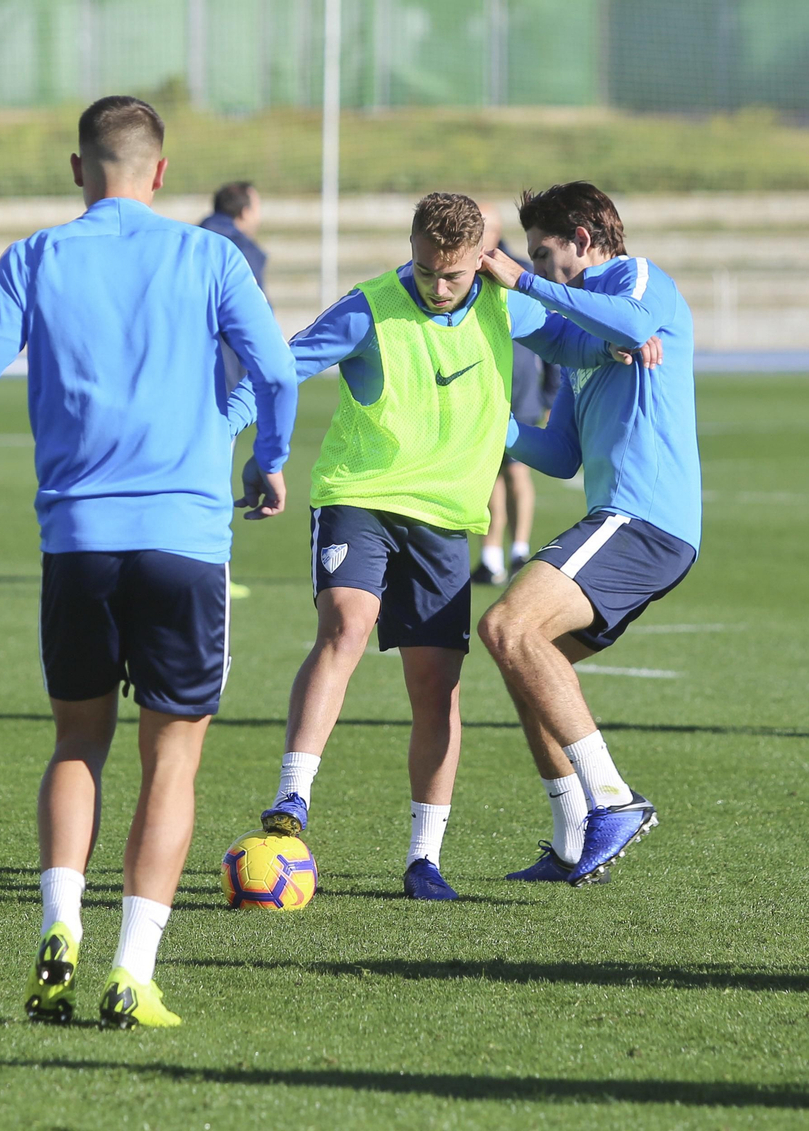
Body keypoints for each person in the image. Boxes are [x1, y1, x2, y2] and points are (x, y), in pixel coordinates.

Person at [0, 96, 298, 1029]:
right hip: (185, 544)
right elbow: (277, 372)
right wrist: (269, 458)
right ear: (160, 173)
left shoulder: (36, 256)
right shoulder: (210, 256)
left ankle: (60, 925)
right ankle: (133, 969)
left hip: (77, 543)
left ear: (78, 169)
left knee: (77, 743)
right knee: (173, 762)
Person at [249, 192, 624, 902]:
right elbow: (280, 367)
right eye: (426, 269)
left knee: (435, 687)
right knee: (346, 627)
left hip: (448, 519)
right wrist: (239, 439)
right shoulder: (370, 306)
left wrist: (622, 340)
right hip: (359, 496)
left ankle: (425, 858)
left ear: (482, 259)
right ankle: (292, 796)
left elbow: (574, 340)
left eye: (453, 274)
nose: (438, 285)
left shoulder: (505, 302)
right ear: (413, 249)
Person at [478, 181, 696, 886]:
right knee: (529, 662)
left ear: (582, 236)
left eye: (546, 253)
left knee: (509, 625)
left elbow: (630, 324)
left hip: (641, 517)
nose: (540, 266)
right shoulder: (586, 345)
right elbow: (562, 455)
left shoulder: (630, 277)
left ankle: (613, 799)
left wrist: (519, 279)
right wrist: (494, 428)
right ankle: (574, 836)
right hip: (626, 520)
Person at [473, 202, 560, 585]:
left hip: (519, 383)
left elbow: (554, 326)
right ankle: (491, 557)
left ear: (494, 232)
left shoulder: (515, 271)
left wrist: (550, 391)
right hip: (481, 384)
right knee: (488, 472)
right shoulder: (463, 271)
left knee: (516, 470)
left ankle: (519, 550)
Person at [201, 181, 270, 603]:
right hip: (222, 382)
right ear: (244, 210)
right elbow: (253, 323)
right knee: (213, 480)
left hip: (172, 380)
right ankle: (214, 573)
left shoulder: (188, 240)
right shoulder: (241, 249)